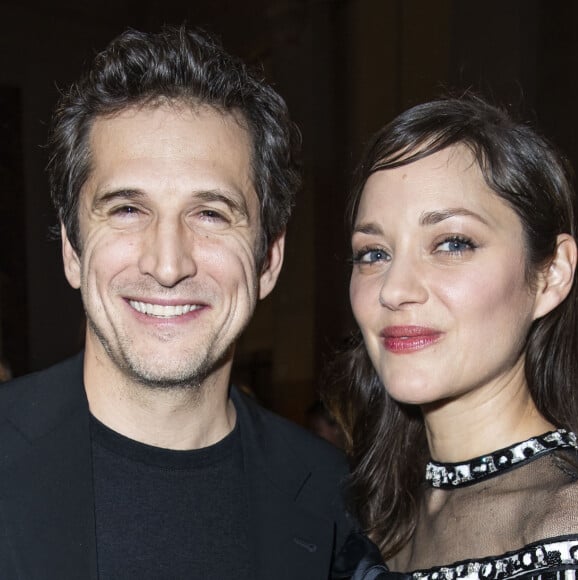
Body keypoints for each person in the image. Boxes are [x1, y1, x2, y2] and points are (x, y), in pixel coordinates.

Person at [0, 27, 352, 579]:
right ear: (72, 250)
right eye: (126, 210)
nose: (168, 265)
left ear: (269, 260)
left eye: (211, 214)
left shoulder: (337, 500)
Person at [327, 95, 578, 579]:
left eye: (452, 243)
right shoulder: (366, 515)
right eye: (373, 252)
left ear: (550, 274)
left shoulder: (566, 526)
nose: (395, 290)